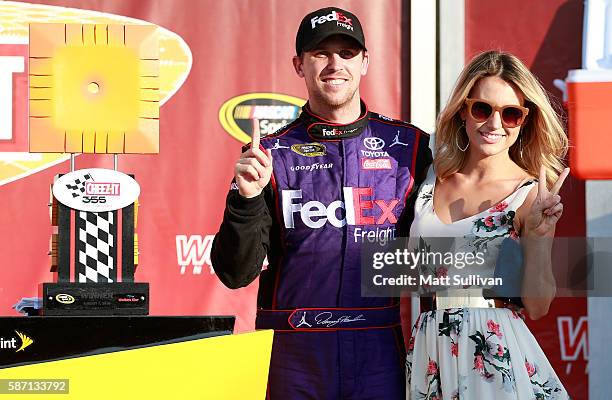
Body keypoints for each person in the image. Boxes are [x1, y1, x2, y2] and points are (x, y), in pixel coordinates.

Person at [211, 7, 431, 399]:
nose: (335, 65)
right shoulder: (268, 156)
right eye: (320, 53)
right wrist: (246, 200)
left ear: (365, 62)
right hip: (294, 353)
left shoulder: (412, 148)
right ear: (299, 65)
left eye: (347, 53)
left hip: (377, 349)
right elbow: (235, 273)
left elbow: (439, 256)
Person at [405, 50, 570, 399]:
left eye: (511, 114)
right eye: (483, 109)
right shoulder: (430, 177)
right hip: (429, 344)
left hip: (492, 352)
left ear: (523, 121)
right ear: (463, 109)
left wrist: (540, 236)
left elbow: (538, 307)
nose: (495, 124)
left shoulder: (528, 195)